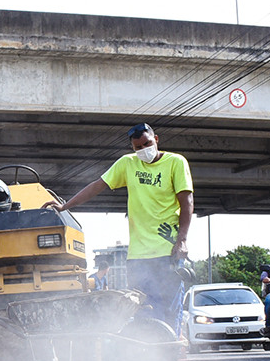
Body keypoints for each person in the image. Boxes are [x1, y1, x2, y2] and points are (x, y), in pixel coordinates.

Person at [54, 122, 193, 333]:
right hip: (137, 257)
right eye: (138, 147)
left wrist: (182, 239)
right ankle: (146, 358)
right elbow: (97, 186)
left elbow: (187, 201)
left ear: (156, 140)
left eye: (147, 144)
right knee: (140, 310)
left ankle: (169, 351)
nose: (143, 150)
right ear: (132, 149)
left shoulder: (175, 162)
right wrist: (65, 206)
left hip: (168, 253)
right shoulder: (127, 164)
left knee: (170, 309)